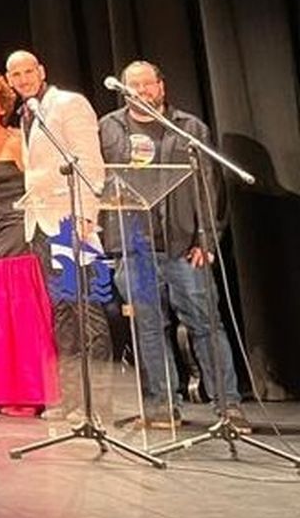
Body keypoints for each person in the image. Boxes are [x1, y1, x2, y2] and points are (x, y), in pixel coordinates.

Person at [99, 60, 247, 431]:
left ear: (161, 87)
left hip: (183, 248)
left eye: (148, 84)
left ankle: (227, 405)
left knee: (205, 325)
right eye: (133, 86)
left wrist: (207, 239)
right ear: (123, 89)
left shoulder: (188, 128)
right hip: (134, 247)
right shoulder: (109, 129)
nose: (141, 91)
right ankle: (162, 406)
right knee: (148, 326)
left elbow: (209, 188)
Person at [5, 49, 114, 428]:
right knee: (63, 316)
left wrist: (86, 214)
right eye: (14, 74)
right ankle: (71, 399)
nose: (22, 79)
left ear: (42, 70)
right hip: (40, 224)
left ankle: (98, 404)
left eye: (27, 71)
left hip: (71, 220)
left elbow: (89, 160)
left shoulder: (69, 104)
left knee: (88, 312)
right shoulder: (26, 114)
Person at [0, 72, 58, 416]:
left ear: (3, 106)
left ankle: (33, 393)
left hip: (20, 232)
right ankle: (6, 391)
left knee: (25, 316)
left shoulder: (18, 141)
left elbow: (36, 187)